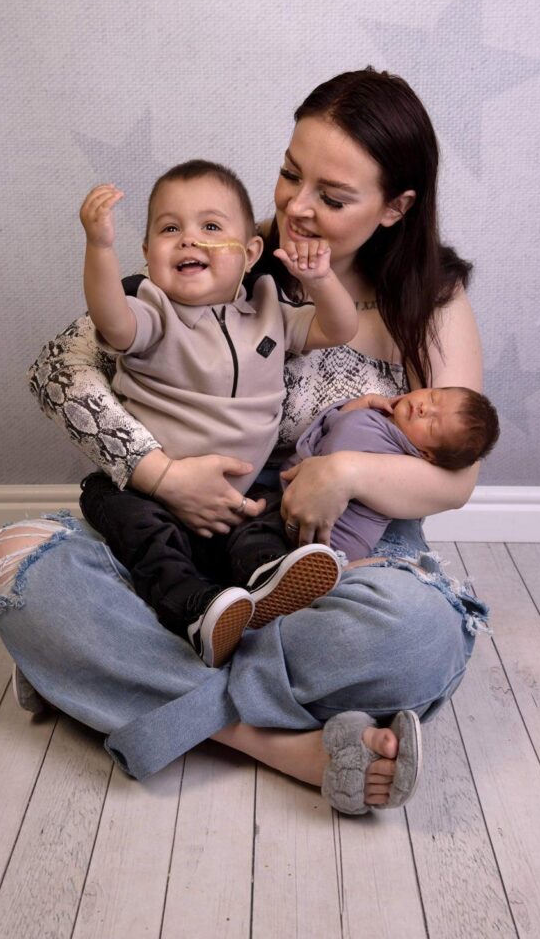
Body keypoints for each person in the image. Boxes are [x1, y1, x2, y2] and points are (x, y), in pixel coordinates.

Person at [0, 67, 490, 816]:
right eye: (289, 174)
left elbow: (457, 480)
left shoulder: (431, 304)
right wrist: (159, 475)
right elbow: (59, 369)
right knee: (12, 568)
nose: (297, 208)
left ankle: (109, 682)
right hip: (176, 543)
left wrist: (343, 471)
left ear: (395, 208)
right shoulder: (225, 253)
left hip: (327, 565)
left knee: (416, 637)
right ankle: (280, 742)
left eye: (333, 197)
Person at [79, 159, 358, 666]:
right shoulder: (153, 313)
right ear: (147, 255)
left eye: (210, 227)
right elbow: (111, 321)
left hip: (240, 498)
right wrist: (99, 249)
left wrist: (319, 280)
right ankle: (198, 610)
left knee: (267, 518)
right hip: (154, 494)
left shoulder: (270, 310)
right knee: (129, 520)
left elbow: (339, 328)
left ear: (250, 253)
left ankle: (269, 580)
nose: (189, 240)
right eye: (170, 229)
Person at [263, 385, 499, 562]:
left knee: (259, 545)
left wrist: (355, 417)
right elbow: (332, 429)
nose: (424, 408)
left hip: (322, 540)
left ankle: (267, 583)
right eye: (433, 397)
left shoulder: (397, 456)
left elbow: (331, 455)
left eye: (432, 424)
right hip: (293, 511)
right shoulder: (380, 421)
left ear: (428, 455)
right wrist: (359, 405)